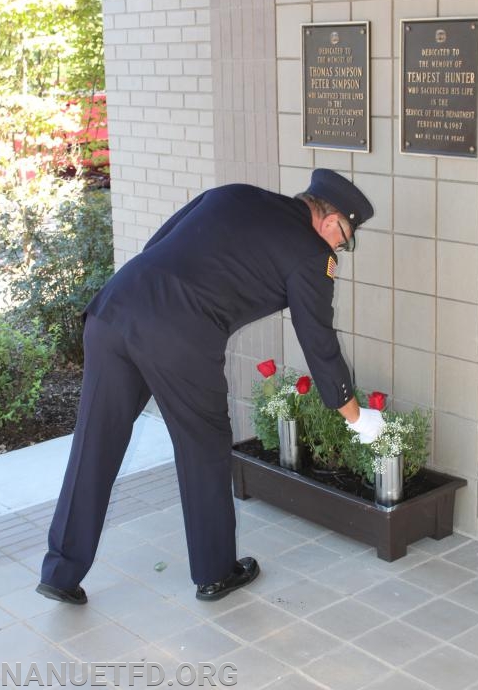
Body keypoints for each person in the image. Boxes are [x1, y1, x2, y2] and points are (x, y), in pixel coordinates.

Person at [36, 168, 384, 606]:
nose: (339, 247)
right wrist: (354, 414)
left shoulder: (236, 192)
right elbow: (319, 340)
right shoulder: (312, 254)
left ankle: (60, 571)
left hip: (116, 307)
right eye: (345, 239)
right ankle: (215, 572)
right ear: (332, 221)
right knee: (203, 446)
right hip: (177, 335)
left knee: (94, 443)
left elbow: (157, 245)